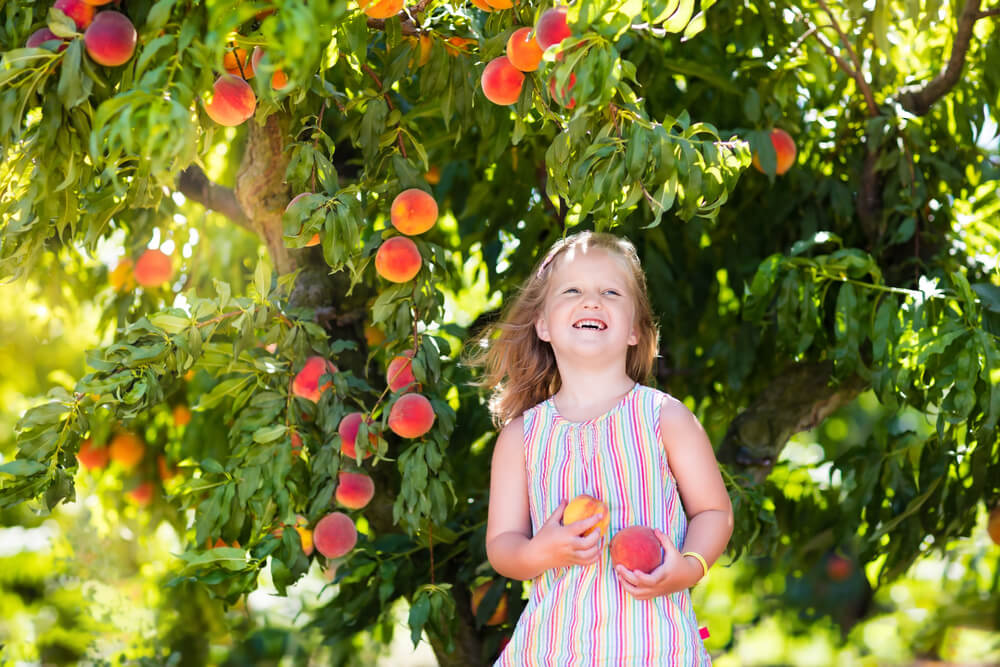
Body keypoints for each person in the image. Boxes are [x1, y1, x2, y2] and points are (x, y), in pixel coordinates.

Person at [474, 231, 733, 665]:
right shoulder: (521, 437)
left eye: (610, 292)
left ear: (634, 330)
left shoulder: (665, 419)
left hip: (656, 650)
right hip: (552, 650)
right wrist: (541, 552)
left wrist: (687, 568)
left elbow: (714, 512)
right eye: (572, 290)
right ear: (542, 324)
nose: (591, 300)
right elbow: (502, 547)